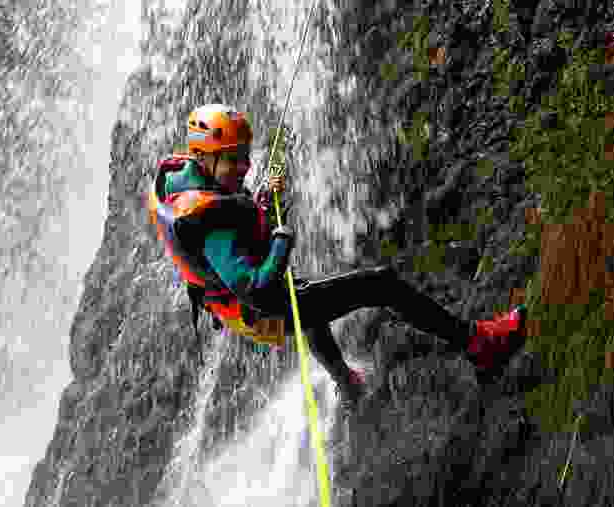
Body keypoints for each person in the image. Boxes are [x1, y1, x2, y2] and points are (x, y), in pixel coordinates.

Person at [147, 103, 527, 408]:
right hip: (256, 308)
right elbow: (256, 290)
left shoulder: (186, 182)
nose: (245, 167)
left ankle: (347, 385)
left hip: (232, 302)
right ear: (204, 158)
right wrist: (281, 242)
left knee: (313, 308)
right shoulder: (210, 224)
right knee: (381, 284)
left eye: (245, 156)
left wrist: (260, 203)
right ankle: (480, 346)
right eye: (234, 160)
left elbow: (233, 216)